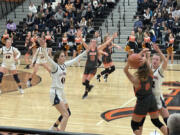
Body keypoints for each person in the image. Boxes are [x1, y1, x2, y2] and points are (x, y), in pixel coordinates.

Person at [40, 37, 87, 131]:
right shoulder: (55, 66)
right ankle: (61, 132)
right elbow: (47, 58)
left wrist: (86, 51)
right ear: (57, 58)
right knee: (65, 114)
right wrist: (43, 48)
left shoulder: (65, 65)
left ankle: (54, 127)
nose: (64, 57)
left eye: (64, 56)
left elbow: (76, 59)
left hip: (61, 93)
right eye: (62, 56)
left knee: (68, 112)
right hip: (55, 93)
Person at [123, 49, 168, 135]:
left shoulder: (136, 80)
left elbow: (125, 70)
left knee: (134, 125)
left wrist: (130, 60)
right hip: (152, 100)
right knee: (156, 121)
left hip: (142, 102)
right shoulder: (151, 74)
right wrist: (144, 57)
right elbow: (147, 64)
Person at [81, 32, 117, 99]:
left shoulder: (97, 49)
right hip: (87, 67)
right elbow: (83, 43)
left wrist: (112, 37)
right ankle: (89, 87)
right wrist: (80, 36)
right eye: (92, 42)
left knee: (87, 81)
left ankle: (85, 93)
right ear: (90, 43)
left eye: (95, 42)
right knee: (83, 83)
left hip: (93, 68)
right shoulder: (88, 49)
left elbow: (106, 43)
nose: (94, 43)